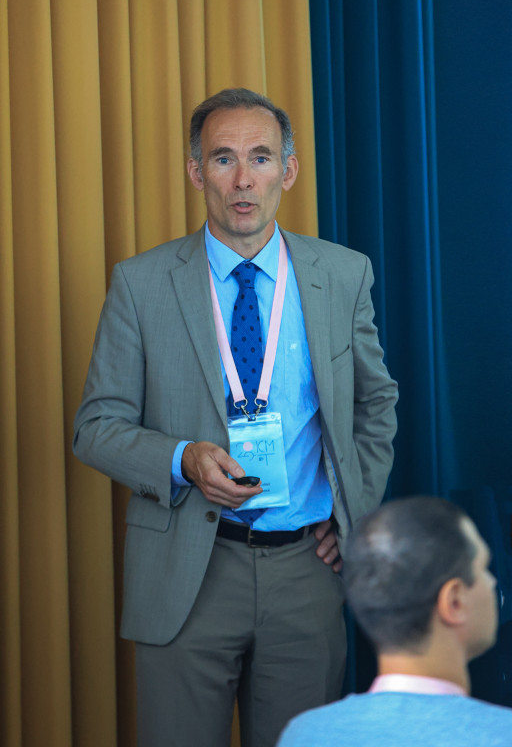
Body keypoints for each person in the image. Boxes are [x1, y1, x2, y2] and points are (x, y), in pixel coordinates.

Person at [73, 88, 398, 747]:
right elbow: (95, 426)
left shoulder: (344, 274)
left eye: (261, 157)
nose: (243, 179)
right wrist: (182, 460)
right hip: (187, 568)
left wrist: (352, 515)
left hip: (306, 570)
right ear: (197, 173)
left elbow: (376, 404)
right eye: (223, 159)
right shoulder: (141, 283)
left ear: (289, 170)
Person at [277, 496, 512, 747]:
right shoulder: (502, 734)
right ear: (453, 601)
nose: (492, 582)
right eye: (483, 568)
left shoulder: (304, 735)